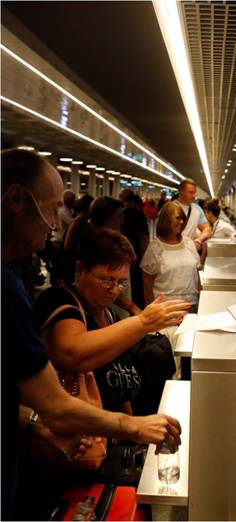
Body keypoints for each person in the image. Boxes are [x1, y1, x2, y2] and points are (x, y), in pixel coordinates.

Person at [1, 149, 181, 519]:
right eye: (49, 208)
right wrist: (132, 426)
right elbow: (59, 389)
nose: (54, 224)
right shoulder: (15, 291)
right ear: (16, 200)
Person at [34, 227, 190, 414]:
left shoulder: (108, 314)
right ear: (80, 270)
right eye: (107, 280)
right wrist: (143, 322)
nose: (114, 290)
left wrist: (130, 427)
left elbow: (120, 380)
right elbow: (72, 354)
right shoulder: (59, 301)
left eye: (121, 282)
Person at [141, 201, 201, 309]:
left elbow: (195, 275)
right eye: (178, 218)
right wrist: (150, 309)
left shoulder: (188, 243)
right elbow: (147, 283)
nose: (182, 222)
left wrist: (201, 298)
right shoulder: (156, 248)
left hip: (191, 304)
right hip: (165, 307)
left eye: (183, 218)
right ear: (166, 220)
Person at [121, 192, 150, 309]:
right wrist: (144, 260)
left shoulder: (122, 215)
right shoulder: (139, 216)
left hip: (122, 257)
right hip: (136, 257)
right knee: (136, 289)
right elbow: (144, 239)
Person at [173, 178, 212, 249]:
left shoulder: (197, 209)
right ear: (181, 191)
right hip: (172, 251)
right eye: (191, 192)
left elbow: (207, 229)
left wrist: (198, 240)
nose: (194, 196)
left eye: (194, 192)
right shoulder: (170, 208)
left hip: (189, 251)